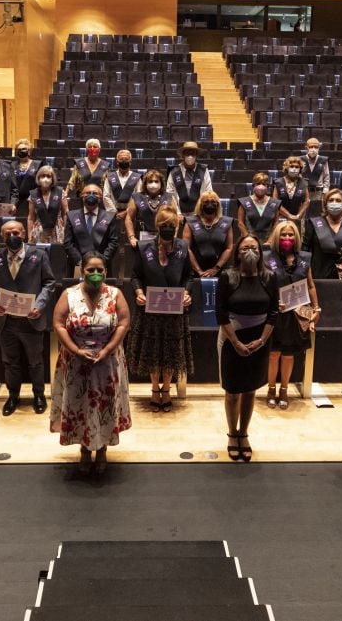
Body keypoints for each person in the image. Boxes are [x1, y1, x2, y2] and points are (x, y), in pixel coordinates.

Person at [51, 252, 132, 474]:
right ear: (82, 271)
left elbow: (124, 323)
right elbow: (58, 323)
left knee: (104, 405)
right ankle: (85, 450)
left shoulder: (115, 294)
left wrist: (107, 349)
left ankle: (103, 449)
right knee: (80, 405)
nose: (95, 274)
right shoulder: (69, 294)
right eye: (90, 270)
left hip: (107, 362)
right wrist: (75, 350)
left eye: (100, 270)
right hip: (76, 362)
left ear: (106, 271)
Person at [0, 221, 58, 416]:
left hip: (31, 319)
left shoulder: (39, 255)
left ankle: (39, 395)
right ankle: (13, 396)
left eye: (15, 232)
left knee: (35, 361)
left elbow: (49, 282)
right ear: (2, 236)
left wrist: (40, 305)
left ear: (24, 233)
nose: (12, 236)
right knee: (10, 362)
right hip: (5, 320)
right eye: (7, 233)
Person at [217, 235, 278, 462]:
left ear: (260, 252)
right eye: (245, 247)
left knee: (250, 390)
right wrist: (235, 342)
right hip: (232, 340)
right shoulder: (228, 276)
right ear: (238, 252)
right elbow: (221, 313)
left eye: (254, 247)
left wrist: (261, 341)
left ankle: (244, 433)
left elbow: (273, 312)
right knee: (233, 392)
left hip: (259, 341)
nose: (250, 250)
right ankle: (232, 434)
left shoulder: (269, 277)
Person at [128, 206, 194, 412]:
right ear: (157, 226)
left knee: (170, 352)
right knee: (153, 352)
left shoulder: (183, 247)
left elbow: (189, 276)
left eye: (172, 226)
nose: (168, 229)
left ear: (176, 227)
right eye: (164, 225)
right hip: (151, 309)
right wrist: (138, 292)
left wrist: (187, 293)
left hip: (174, 310)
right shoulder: (143, 247)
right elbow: (135, 276)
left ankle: (167, 390)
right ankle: (155, 389)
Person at [263, 221, 319, 410]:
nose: (287, 238)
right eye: (284, 235)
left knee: (288, 355)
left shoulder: (304, 258)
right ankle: (271, 389)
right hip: (274, 314)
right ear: (277, 237)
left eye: (291, 235)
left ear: (296, 237)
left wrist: (316, 308)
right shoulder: (266, 257)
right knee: (273, 354)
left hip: (296, 314)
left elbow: (310, 285)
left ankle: (284, 390)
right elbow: (262, 285)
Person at [63, 183, 121, 274]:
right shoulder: (72, 216)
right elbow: (67, 242)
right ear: (82, 196)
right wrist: (80, 261)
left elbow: (113, 242)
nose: (91, 195)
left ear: (100, 198)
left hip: (102, 266)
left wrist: (101, 261)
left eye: (95, 193)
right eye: (87, 193)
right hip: (77, 265)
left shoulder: (109, 216)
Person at [182, 191, 234, 276]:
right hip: (194, 271)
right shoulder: (190, 222)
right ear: (200, 205)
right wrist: (198, 271)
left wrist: (216, 268)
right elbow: (187, 248)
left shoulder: (226, 222)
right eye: (206, 202)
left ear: (217, 204)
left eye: (213, 202)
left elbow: (229, 248)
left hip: (220, 271)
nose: (210, 204)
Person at [166, 141, 213, 215]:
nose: (190, 156)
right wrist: (177, 213)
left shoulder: (203, 170)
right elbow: (169, 194)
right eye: (187, 153)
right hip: (178, 214)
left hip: (199, 213)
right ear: (183, 154)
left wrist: (201, 212)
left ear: (196, 155)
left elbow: (209, 191)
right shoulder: (174, 171)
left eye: (192, 153)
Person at [125, 170, 170, 246]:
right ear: (145, 184)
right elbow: (128, 218)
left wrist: (173, 237)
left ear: (161, 183)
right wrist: (131, 237)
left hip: (164, 239)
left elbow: (175, 220)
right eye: (150, 181)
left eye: (156, 181)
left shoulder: (169, 197)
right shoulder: (137, 197)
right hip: (142, 238)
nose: (153, 184)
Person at [236, 172, 281, 245]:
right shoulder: (244, 202)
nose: (261, 186)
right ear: (253, 186)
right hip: (248, 242)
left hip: (269, 242)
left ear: (267, 186)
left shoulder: (274, 203)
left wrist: (270, 241)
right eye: (258, 184)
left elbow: (276, 224)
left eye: (264, 184)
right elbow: (240, 223)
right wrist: (248, 240)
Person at [27, 165, 69, 244]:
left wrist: (67, 233)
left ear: (52, 179)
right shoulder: (33, 194)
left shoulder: (60, 192)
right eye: (43, 176)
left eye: (48, 176)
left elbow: (65, 214)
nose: (45, 179)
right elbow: (31, 218)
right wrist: (29, 236)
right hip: (39, 229)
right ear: (38, 178)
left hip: (57, 229)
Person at [103, 148, 142, 214]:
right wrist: (114, 212)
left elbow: (139, 197)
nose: (124, 161)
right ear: (117, 162)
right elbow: (106, 196)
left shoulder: (136, 177)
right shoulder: (110, 177)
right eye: (121, 159)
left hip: (131, 214)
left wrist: (128, 212)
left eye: (126, 159)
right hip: (113, 214)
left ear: (130, 162)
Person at [273, 156, 310, 224]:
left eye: (297, 167)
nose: (294, 169)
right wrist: (288, 215)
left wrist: (298, 216)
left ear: (300, 169)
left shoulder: (304, 183)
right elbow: (275, 202)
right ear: (287, 168)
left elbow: (306, 201)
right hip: (280, 217)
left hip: (298, 217)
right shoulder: (278, 182)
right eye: (291, 166)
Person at [11, 138, 42, 216]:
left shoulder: (37, 164)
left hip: (32, 200)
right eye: (19, 149)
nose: (22, 151)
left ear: (29, 150)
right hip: (16, 201)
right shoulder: (12, 165)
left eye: (24, 149)